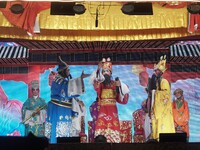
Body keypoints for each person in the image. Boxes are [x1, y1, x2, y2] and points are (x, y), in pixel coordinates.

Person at [45, 56, 89, 143]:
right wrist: (80, 79)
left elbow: (70, 89)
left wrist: (80, 79)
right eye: (68, 70)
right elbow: (67, 91)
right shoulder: (60, 81)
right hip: (59, 109)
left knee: (63, 131)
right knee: (59, 132)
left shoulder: (60, 80)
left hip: (61, 108)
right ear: (63, 71)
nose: (69, 72)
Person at [90, 57, 130, 143]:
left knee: (114, 127)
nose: (105, 73)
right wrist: (98, 69)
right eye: (103, 72)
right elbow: (95, 82)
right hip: (103, 109)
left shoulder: (115, 83)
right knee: (101, 127)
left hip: (112, 110)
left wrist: (119, 86)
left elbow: (121, 97)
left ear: (110, 73)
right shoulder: (101, 84)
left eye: (107, 71)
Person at [149, 55, 175, 141]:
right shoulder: (156, 83)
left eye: (157, 71)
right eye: (155, 71)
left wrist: (155, 93)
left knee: (163, 126)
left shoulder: (164, 81)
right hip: (157, 108)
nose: (156, 73)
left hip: (163, 110)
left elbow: (166, 95)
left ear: (161, 72)